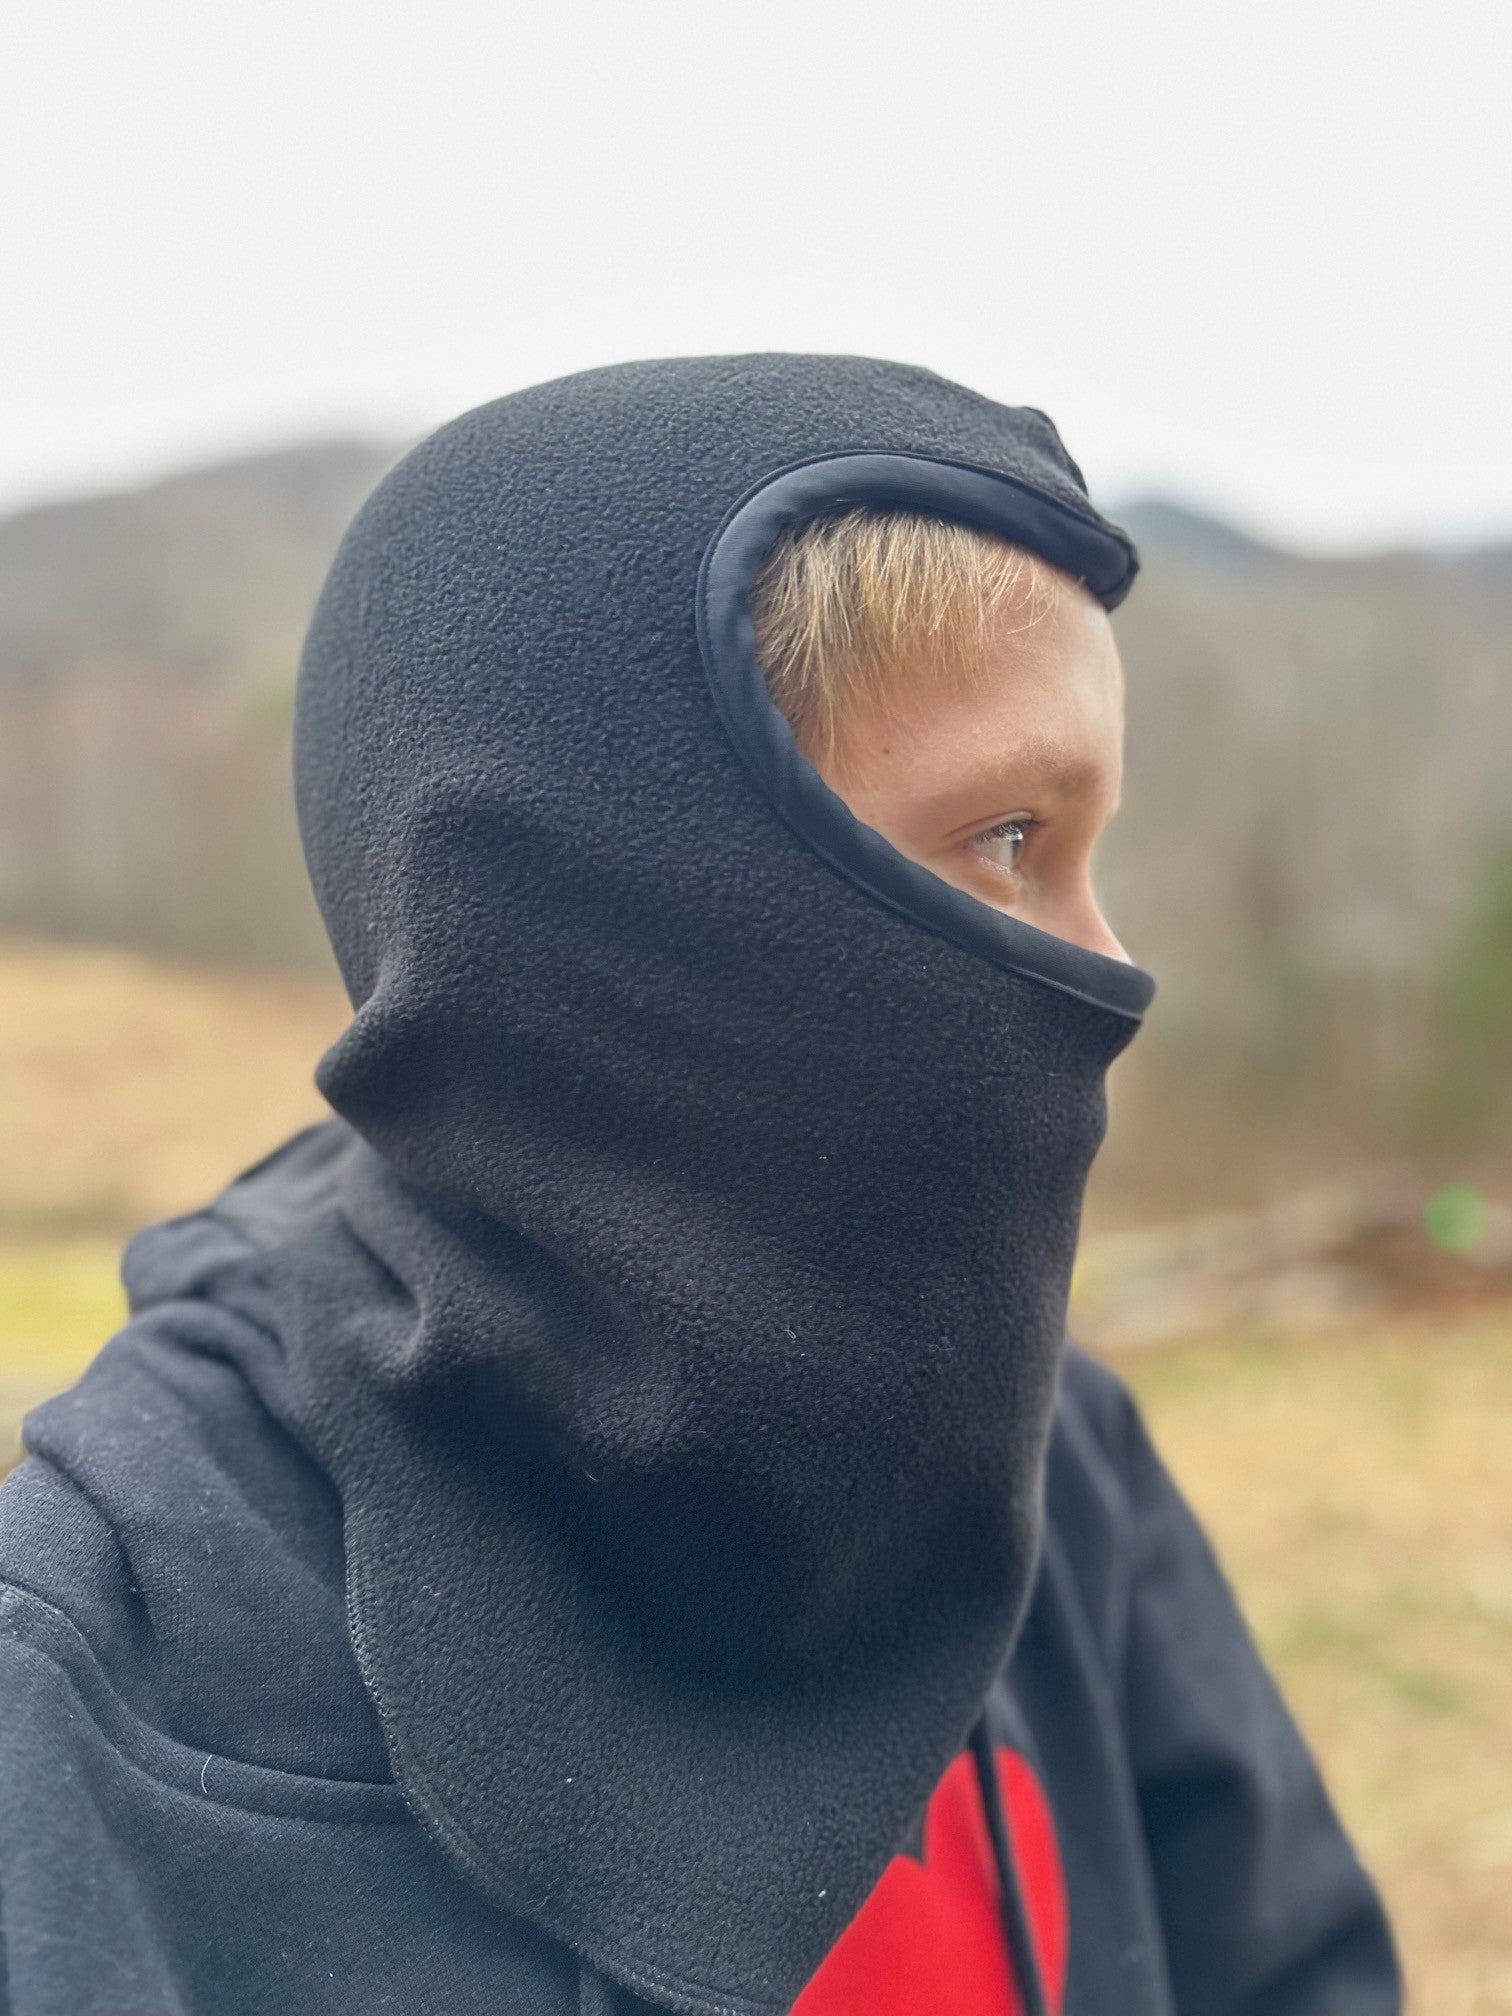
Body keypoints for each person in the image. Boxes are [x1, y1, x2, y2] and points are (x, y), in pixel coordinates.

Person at [0, 354, 1400, 2015]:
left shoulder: (1050, 1456)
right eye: (1013, 839)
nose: (1112, 971)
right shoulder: (116, 1638)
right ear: (639, 895)